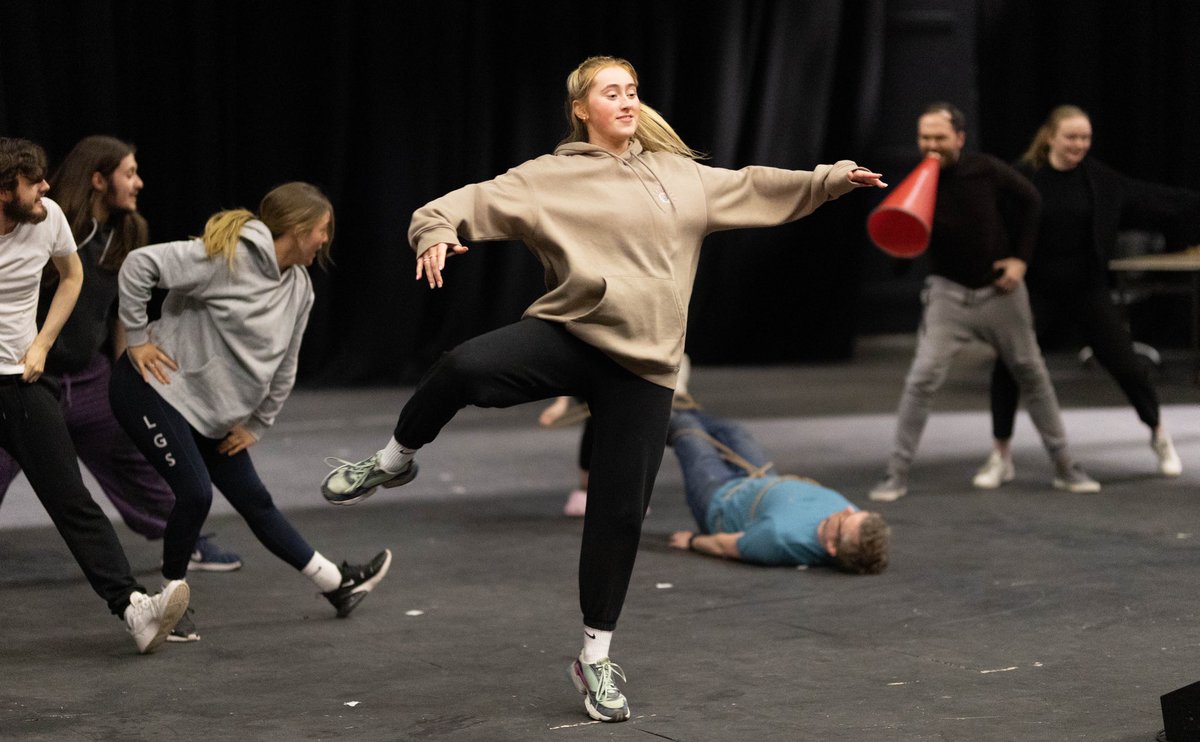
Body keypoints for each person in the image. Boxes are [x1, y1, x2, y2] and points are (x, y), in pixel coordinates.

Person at [319, 55, 885, 723]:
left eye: (634, 91)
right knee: (465, 367)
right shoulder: (548, 178)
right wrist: (436, 232)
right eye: (611, 92)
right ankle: (392, 461)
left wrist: (829, 180)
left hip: (645, 371)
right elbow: (457, 204)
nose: (627, 101)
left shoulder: (681, 178)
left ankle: (595, 656)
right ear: (582, 110)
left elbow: (756, 185)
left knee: (618, 517)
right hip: (572, 335)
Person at [108, 182, 391, 637]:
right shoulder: (227, 257)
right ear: (297, 230)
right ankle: (167, 606)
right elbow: (140, 264)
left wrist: (258, 422)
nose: (325, 240)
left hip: (213, 412)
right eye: (321, 230)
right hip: (153, 389)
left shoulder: (299, 287)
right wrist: (137, 340)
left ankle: (337, 584)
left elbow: (287, 363)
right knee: (196, 493)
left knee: (255, 501)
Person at [0, 136, 242, 585]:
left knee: (134, 463)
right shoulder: (47, 220)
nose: (138, 182)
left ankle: (185, 539)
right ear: (98, 179)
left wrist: (125, 369)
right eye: (128, 173)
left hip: (90, 377)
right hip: (29, 377)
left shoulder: (129, 232)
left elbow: (117, 308)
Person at [0, 136, 188, 653]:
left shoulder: (49, 217)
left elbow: (72, 275)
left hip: (23, 383)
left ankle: (134, 608)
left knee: (72, 501)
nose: (45, 186)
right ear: (1, 191)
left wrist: (41, 344)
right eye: (31, 181)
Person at [869, 103, 1099, 503]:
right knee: (922, 379)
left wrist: (1020, 260)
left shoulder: (986, 170)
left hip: (1000, 293)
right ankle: (896, 473)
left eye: (940, 137)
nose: (932, 145)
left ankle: (1066, 466)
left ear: (959, 137)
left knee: (1032, 372)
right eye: (925, 137)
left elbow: (1032, 201)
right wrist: (897, 238)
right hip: (947, 295)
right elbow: (900, 254)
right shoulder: (920, 181)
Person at [976, 105, 1200, 488]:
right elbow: (992, 223)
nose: (1079, 144)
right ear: (1051, 137)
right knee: (1009, 368)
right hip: (1036, 293)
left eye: (1085, 138)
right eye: (1071, 137)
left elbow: (1153, 197)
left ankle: (1159, 434)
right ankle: (1000, 455)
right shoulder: (1023, 177)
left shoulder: (1099, 179)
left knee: (1128, 366)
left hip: (1087, 290)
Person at [666, 409, 889, 573]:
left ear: (831, 546)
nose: (847, 509)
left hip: (719, 498)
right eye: (855, 512)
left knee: (688, 431)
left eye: (845, 519)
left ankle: (663, 402)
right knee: (734, 431)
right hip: (761, 478)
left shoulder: (780, 538)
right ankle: (680, 402)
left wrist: (693, 541)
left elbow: (722, 544)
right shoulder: (853, 525)